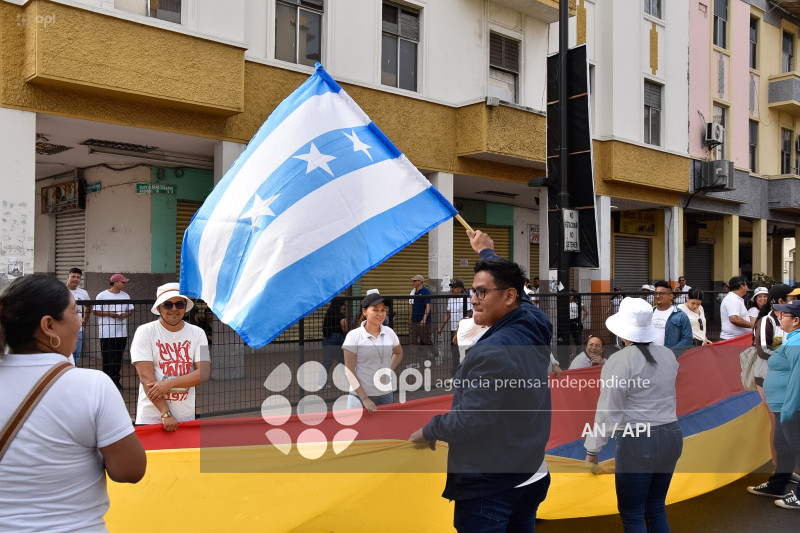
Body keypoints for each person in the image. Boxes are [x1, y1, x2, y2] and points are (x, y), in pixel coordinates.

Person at [410, 230, 553, 532]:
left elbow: (471, 421)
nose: (472, 299)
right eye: (473, 291)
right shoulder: (535, 322)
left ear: (509, 296)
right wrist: (486, 252)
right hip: (533, 473)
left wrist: (429, 430)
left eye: (481, 292)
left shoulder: (489, 352)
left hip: (491, 488)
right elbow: (517, 289)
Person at [0, 275, 146, 531]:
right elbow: (130, 471)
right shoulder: (93, 386)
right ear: (48, 326)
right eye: (75, 312)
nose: (80, 322)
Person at [584, 297, 682, 531]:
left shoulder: (619, 361)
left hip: (638, 441)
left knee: (633, 514)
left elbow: (608, 410)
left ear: (623, 333)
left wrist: (592, 449)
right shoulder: (668, 355)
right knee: (656, 507)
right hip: (672, 434)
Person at [130, 283, 211, 430]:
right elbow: (145, 377)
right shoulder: (144, 332)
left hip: (186, 416)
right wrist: (165, 413)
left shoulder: (199, 333)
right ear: (159, 308)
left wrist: (168, 384)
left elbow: (204, 372)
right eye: (168, 304)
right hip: (151, 416)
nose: (174, 309)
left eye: (179, 304)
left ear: (185, 307)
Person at [747, 299, 800, 509]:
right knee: (783, 447)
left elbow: (797, 378)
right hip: (783, 407)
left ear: (796, 320)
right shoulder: (792, 338)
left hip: (790, 408)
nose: (780, 316)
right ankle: (776, 485)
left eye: (785, 315)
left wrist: (788, 408)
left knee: (795, 448)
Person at [344, 293, 403, 411]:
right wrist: (364, 398)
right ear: (364, 312)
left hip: (386, 394)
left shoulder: (389, 332)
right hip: (361, 396)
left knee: (385, 429)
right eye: (375, 310)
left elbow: (398, 353)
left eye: (383, 310)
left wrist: (388, 370)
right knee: (360, 429)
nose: (380, 314)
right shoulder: (354, 336)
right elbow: (349, 370)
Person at [94, 274, 134, 389]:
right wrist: (109, 314)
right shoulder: (102, 295)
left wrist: (124, 315)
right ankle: (106, 381)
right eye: (123, 282)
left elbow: (130, 310)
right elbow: (95, 311)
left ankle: (116, 380)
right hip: (106, 333)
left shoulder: (126, 296)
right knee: (107, 357)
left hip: (121, 332)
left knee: (117, 357)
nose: (125, 284)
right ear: (115, 283)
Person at [651, 280, 693, 356]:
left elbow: (687, 339)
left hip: (669, 359)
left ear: (671, 296)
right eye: (656, 293)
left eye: (661, 293)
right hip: (650, 357)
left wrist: (669, 353)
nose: (658, 296)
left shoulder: (681, 315)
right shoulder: (649, 313)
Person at [439, 278, 471, 376]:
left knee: (464, 352)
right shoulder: (451, 299)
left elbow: (469, 313)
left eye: (454, 287)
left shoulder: (467, 299)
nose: (452, 289)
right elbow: (448, 314)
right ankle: (455, 374)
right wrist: (441, 326)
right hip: (453, 330)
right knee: (454, 354)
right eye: (451, 287)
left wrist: (461, 323)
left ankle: (466, 373)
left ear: (460, 289)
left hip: (464, 331)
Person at [65, 267, 91, 364]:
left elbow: (88, 307)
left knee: (76, 353)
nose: (76, 279)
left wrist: (85, 320)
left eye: (78, 277)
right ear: (68, 277)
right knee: (65, 353)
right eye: (73, 276)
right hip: (63, 327)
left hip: (78, 328)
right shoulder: (60, 290)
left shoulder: (83, 293)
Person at [409, 274, 435, 363]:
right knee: (413, 341)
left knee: (426, 340)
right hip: (414, 320)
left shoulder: (425, 292)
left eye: (414, 281)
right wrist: (410, 318)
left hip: (423, 321)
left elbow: (428, 306)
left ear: (419, 282)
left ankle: (436, 356)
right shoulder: (414, 292)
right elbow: (412, 306)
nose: (413, 282)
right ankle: (415, 361)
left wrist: (424, 319)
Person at [322, 297, 349, 383]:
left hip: (327, 339)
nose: (344, 307)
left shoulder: (328, 314)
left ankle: (321, 383)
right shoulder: (340, 315)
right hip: (337, 340)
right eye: (343, 305)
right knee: (343, 361)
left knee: (327, 362)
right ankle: (349, 381)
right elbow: (345, 329)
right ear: (340, 305)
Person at [720, 276, 753, 340]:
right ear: (741, 286)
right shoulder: (732, 299)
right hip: (731, 340)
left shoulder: (736, 298)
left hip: (737, 339)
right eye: (746, 285)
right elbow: (734, 319)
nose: (747, 287)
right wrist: (751, 325)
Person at [569, 291, 588, 356]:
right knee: (567, 336)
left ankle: (578, 352)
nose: (570, 296)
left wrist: (582, 320)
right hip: (568, 321)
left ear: (574, 296)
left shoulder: (578, 303)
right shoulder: (566, 303)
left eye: (571, 295)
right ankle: (569, 351)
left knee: (576, 337)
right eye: (569, 295)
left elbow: (586, 311)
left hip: (575, 320)